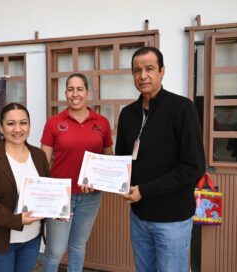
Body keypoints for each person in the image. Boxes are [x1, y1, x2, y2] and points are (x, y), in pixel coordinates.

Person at [115, 46, 206, 272]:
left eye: (149, 69)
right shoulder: (128, 114)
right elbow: (122, 160)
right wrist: (105, 180)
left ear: (162, 71)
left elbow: (193, 166)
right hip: (138, 216)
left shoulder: (181, 108)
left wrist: (144, 190)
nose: (143, 75)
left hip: (172, 219)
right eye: (137, 70)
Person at [41, 72, 114, 271]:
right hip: (60, 197)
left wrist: (100, 180)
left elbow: (108, 158)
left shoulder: (102, 122)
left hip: (91, 197)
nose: (75, 94)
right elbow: (43, 161)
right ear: (65, 93)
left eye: (80, 89)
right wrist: (41, 194)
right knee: (55, 250)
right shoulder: (54, 122)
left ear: (87, 92)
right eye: (71, 89)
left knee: (78, 246)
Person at [0, 102, 50, 272]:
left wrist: (56, 209)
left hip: (32, 239)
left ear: (29, 125)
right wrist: (16, 220)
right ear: (1, 128)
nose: (18, 129)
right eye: (10, 123)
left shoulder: (39, 155)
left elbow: (45, 191)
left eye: (23, 123)